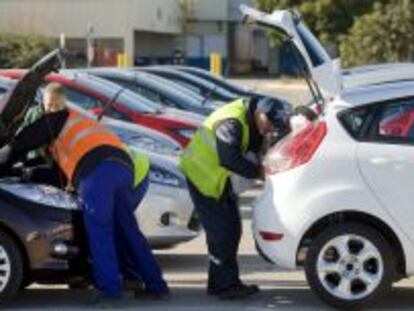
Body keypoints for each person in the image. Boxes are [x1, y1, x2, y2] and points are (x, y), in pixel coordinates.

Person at [0, 83, 169, 306]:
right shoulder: (78, 119)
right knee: (128, 230)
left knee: (100, 231)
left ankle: (110, 292)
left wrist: (3, 165)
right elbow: (53, 171)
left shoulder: (54, 118)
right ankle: (157, 285)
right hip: (123, 169)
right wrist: (25, 171)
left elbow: (20, 144)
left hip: (97, 173)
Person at [180, 97, 289, 300]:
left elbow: (257, 146)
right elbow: (229, 158)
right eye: (270, 124)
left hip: (218, 180)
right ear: (260, 114)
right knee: (222, 234)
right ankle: (225, 286)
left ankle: (221, 283)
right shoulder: (231, 122)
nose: (270, 129)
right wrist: (259, 172)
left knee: (231, 230)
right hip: (203, 177)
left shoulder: (253, 117)